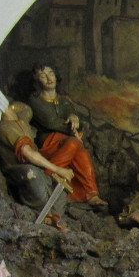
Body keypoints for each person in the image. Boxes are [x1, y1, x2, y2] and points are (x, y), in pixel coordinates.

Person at [27, 62, 108, 206]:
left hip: (66, 141)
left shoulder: (64, 101)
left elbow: (75, 118)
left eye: (51, 73)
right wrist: (73, 131)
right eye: (43, 76)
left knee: (82, 153)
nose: (48, 78)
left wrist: (73, 117)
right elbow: (50, 121)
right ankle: (48, 174)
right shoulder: (35, 100)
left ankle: (92, 194)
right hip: (48, 142)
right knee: (75, 143)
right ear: (37, 80)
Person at [0, 101, 72, 230]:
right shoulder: (5, 128)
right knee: (32, 175)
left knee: (59, 185)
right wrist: (57, 169)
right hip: (18, 169)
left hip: (37, 166)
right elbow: (28, 153)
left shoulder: (21, 122)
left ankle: (55, 217)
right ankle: (41, 212)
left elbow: (27, 110)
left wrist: (56, 172)